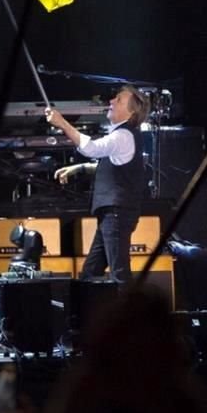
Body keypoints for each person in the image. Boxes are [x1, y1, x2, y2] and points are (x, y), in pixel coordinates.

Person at [46, 85, 150, 282]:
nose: (111, 101)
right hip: (111, 214)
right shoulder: (122, 135)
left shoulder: (123, 135)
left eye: (118, 100)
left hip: (117, 212)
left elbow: (93, 148)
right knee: (90, 273)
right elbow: (111, 164)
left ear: (132, 110)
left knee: (119, 273)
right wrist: (79, 168)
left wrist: (62, 124)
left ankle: (132, 312)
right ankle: (85, 310)